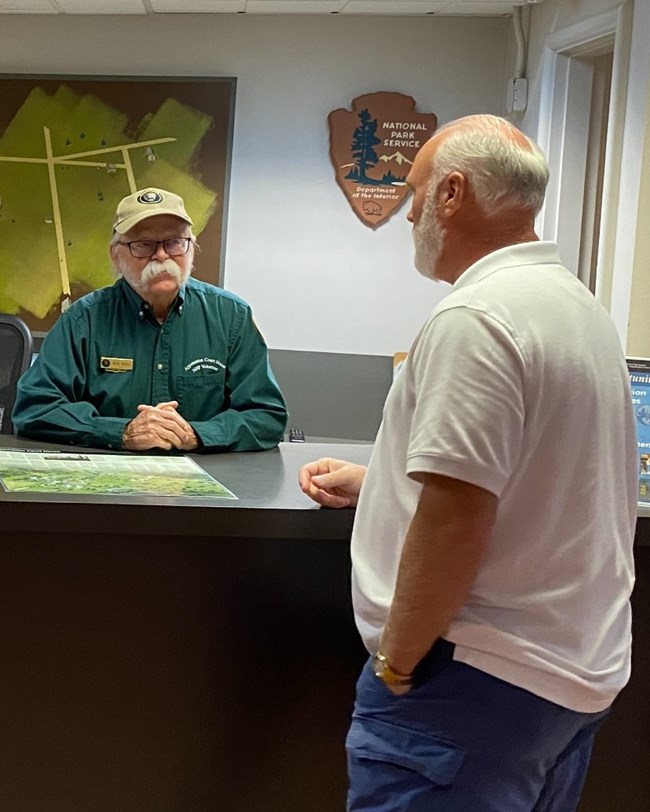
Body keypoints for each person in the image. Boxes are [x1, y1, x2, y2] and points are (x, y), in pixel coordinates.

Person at [299, 115, 637, 811]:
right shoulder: (576, 309)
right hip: (565, 683)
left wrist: (395, 662)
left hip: (467, 686)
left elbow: (457, 521)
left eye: (416, 191)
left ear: (453, 193)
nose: (409, 210)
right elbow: (545, 476)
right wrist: (384, 486)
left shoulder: (477, 318)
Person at [13, 187, 287, 453]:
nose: (161, 255)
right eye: (143, 244)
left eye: (174, 242)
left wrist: (196, 435)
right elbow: (35, 409)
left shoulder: (231, 316)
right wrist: (122, 432)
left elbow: (265, 415)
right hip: (108, 484)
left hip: (206, 486)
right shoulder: (83, 320)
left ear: (191, 248)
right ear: (116, 255)